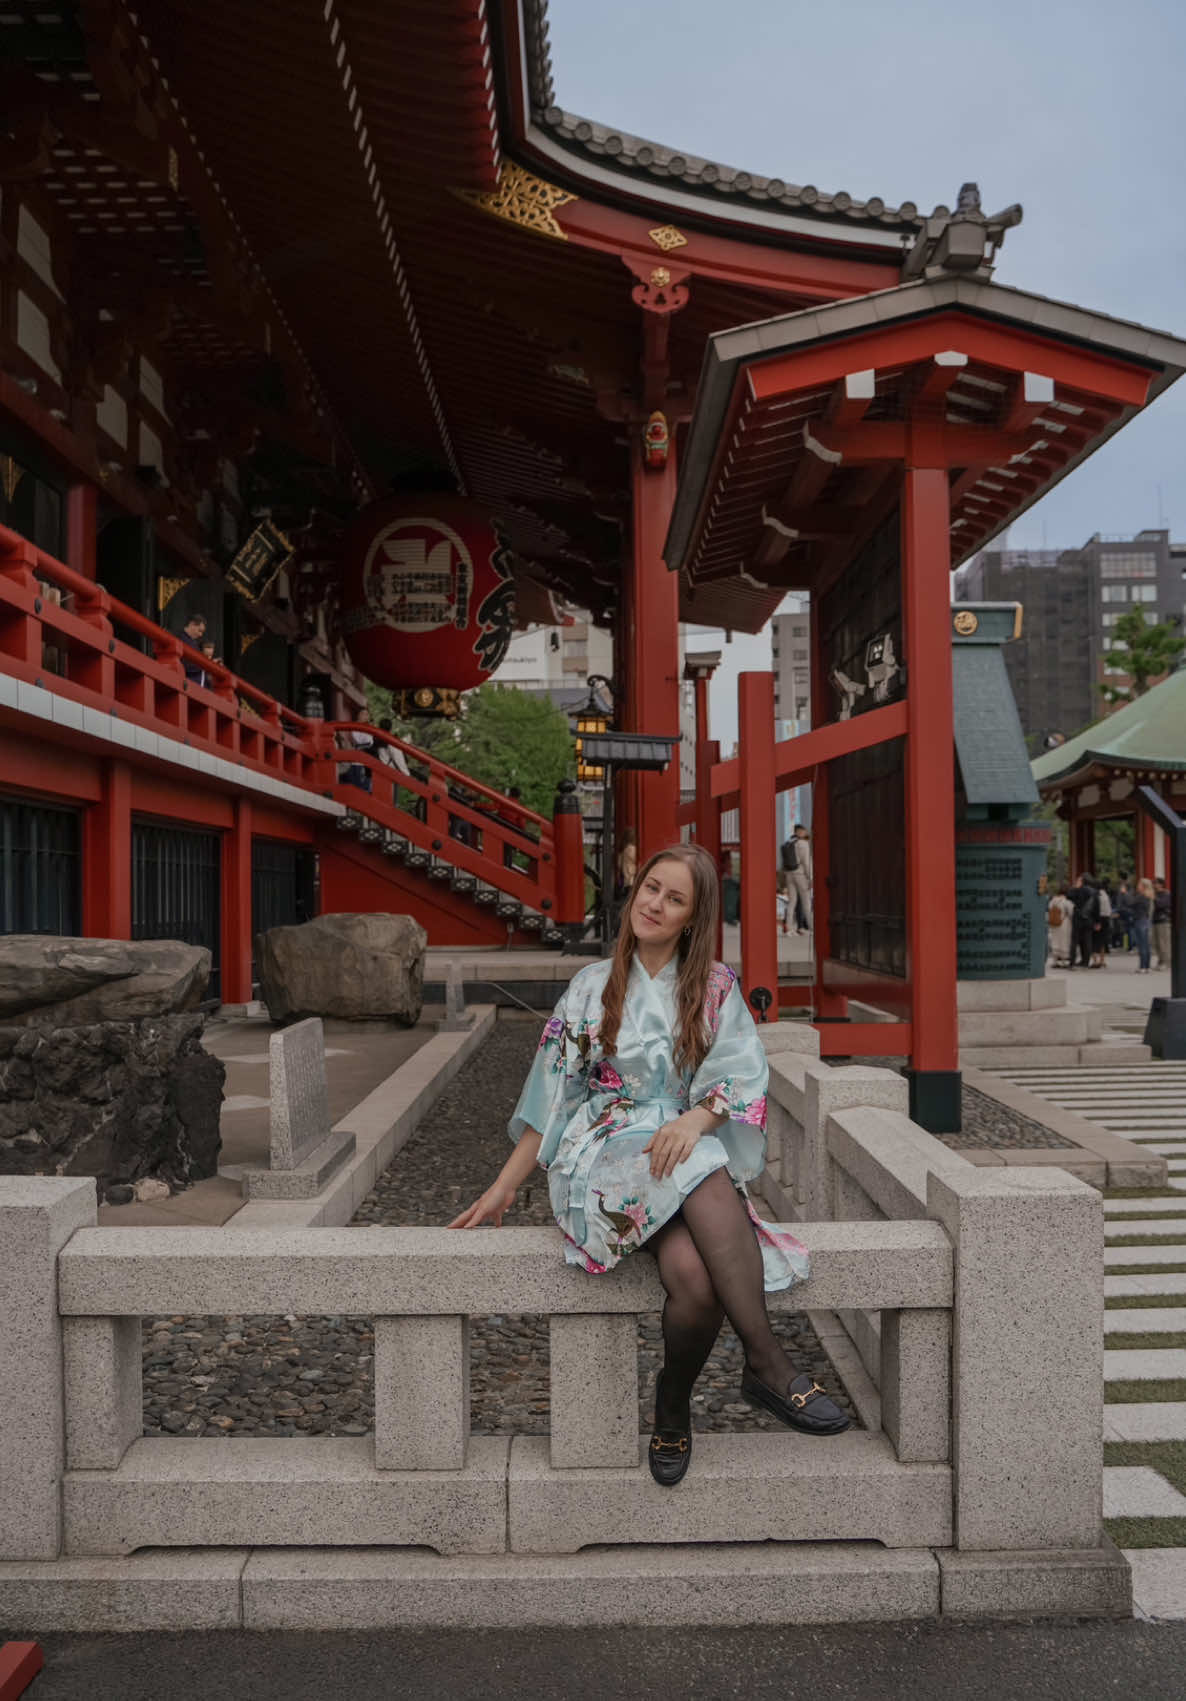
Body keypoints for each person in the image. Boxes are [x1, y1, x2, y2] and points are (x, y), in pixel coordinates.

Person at [449, 841, 849, 1486]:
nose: (655, 904)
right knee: (702, 1172)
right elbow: (552, 1096)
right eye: (650, 889)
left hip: (682, 1142)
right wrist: (503, 1187)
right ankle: (768, 1361)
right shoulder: (591, 986)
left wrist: (694, 1119)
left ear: (693, 917)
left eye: (675, 898)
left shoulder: (714, 987)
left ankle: (672, 1406)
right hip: (605, 1146)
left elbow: (742, 1072)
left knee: (693, 1276)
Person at [1067, 873, 1097, 970]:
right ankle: (1085, 962)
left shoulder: (1077, 890)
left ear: (1082, 881)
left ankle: (1072, 962)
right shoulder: (1094, 892)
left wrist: (1075, 887)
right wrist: (1097, 921)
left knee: (1074, 941)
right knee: (1087, 941)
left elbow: (1068, 896)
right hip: (1089, 919)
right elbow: (1096, 907)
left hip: (1078, 918)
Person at [1131, 878, 1155, 974]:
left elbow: (1130, 903)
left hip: (1139, 921)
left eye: (1139, 884)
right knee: (1146, 944)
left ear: (1143, 886)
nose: (1137, 886)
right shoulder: (1148, 896)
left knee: (1142, 945)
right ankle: (1147, 966)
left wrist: (1124, 894)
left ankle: (1142, 967)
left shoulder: (1140, 896)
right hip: (1146, 920)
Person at [1047, 883, 1074, 967]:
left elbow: (1049, 909)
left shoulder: (1052, 901)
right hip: (1064, 923)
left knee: (1055, 941)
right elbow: (1071, 913)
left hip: (1053, 923)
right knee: (1064, 942)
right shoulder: (1066, 902)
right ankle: (1063, 961)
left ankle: (1055, 961)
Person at [178, 613, 208, 684]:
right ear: (192, 624)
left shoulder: (194, 644)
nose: (200, 635)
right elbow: (184, 664)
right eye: (199, 630)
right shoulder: (179, 638)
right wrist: (203, 665)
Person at [1153, 877, 1172, 971]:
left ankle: (1167, 962)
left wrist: (1154, 898)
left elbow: (1162, 904)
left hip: (1163, 921)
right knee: (1156, 943)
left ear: (1161, 884)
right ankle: (1160, 961)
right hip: (1155, 921)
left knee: (1164, 943)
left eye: (1155, 883)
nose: (1154, 885)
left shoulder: (1166, 894)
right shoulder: (1155, 893)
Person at [615, 827, 638, 899]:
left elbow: (619, 865)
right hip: (632, 881)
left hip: (626, 882)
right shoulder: (632, 849)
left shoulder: (622, 850)